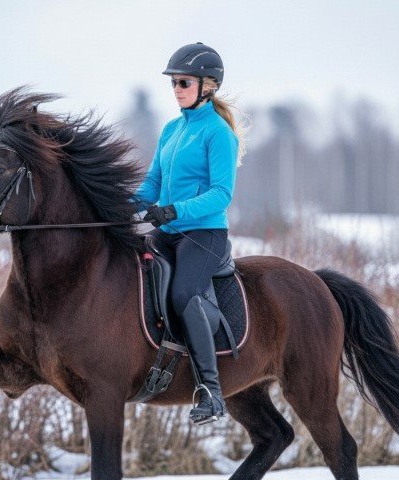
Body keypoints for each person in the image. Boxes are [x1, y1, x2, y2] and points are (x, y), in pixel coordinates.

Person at [133, 42, 244, 425]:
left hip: (204, 235)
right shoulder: (171, 130)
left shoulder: (218, 134)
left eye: (183, 82)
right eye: (173, 83)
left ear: (208, 86)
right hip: (166, 232)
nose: (177, 89)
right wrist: (119, 206)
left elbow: (221, 194)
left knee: (183, 292)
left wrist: (176, 209)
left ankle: (210, 391)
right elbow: (152, 184)